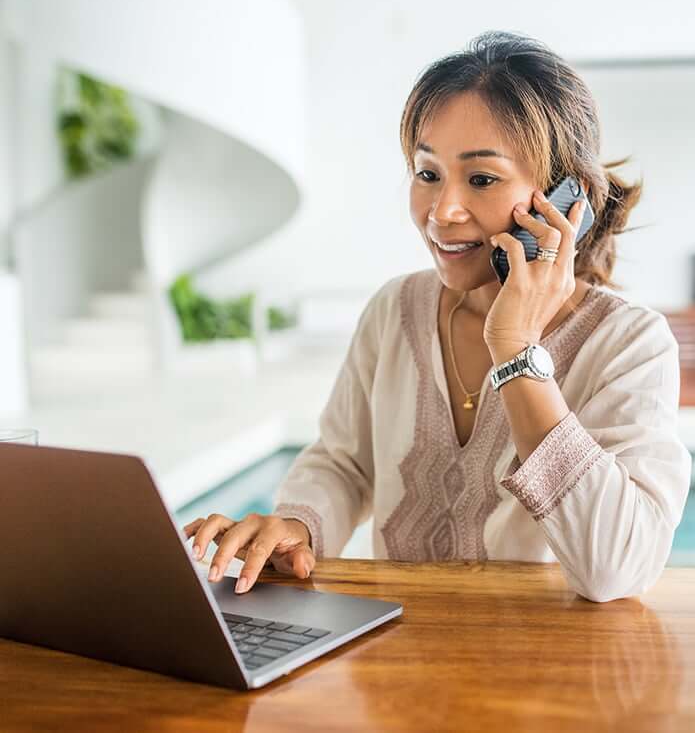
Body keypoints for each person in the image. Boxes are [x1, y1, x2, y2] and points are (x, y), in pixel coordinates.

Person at [183, 30, 692, 602]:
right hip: (394, 660)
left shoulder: (631, 344)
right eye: (427, 174)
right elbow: (344, 463)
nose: (442, 212)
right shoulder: (395, 310)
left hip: (550, 672)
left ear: (564, 198)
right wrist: (298, 523)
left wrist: (517, 349)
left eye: (481, 179)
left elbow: (615, 569)